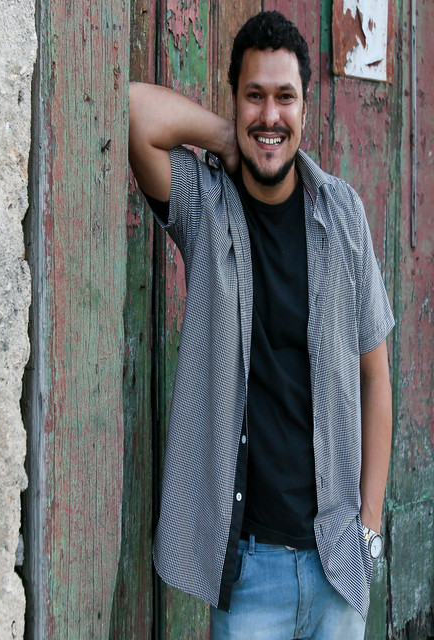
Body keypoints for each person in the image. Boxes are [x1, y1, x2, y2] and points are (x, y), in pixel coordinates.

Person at [128, 11, 394, 640]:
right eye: (254, 96)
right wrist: (231, 137)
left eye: (284, 98)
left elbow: (376, 377)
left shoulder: (343, 214)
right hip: (249, 573)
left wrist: (370, 526)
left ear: (305, 107)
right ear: (233, 99)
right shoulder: (205, 205)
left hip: (338, 563)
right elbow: (135, 111)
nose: (270, 114)